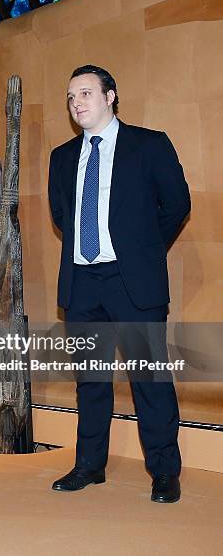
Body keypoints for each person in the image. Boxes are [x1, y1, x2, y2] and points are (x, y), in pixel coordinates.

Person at [48, 65, 190, 503]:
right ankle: (90, 466)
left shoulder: (148, 144)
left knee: (150, 380)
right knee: (90, 381)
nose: (78, 103)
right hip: (82, 284)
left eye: (86, 93)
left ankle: (164, 472)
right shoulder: (62, 156)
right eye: (71, 97)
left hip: (133, 283)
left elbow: (177, 203)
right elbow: (61, 215)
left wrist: (142, 251)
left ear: (111, 96)